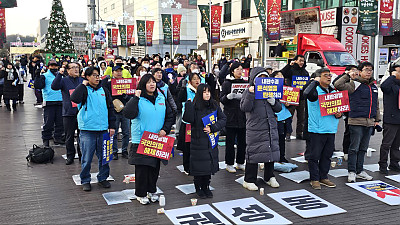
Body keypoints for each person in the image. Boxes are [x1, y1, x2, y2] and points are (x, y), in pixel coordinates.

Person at [123, 74, 174, 205]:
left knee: (154, 168)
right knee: (142, 169)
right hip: (141, 139)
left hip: (157, 139)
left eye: (153, 82)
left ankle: (151, 190)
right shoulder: (138, 99)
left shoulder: (161, 97)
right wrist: (136, 97)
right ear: (143, 85)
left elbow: (170, 116)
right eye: (148, 82)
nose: (152, 84)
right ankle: (140, 193)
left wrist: (165, 130)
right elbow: (128, 113)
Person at [70, 67, 116, 191]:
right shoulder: (84, 90)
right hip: (87, 129)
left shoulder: (104, 90)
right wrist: (82, 85)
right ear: (87, 77)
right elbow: (74, 98)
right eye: (94, 75)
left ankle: (103, 177)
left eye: (98, 75)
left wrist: (112, 126)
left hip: (103, 130)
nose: (97, 77)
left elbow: (111, 108)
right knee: (87, 157)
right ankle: (85, 179)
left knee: (104, 156)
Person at [334, 61, 381, 182]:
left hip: (369, 122)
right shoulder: (354, 84)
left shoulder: (373, 87)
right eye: (366, 69)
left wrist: (377, 120)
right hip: (356, 121)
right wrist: (348, 75)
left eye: (370, 69)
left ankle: (360, 170)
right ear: (360, 72)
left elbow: (376, 105)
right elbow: (338, 84)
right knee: (353, 148)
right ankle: (352, 171)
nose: (369, 72)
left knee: (363, 148)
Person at [240, 67, 282, 190]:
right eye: (260, 78)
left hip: (270, 127)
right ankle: (249, 179)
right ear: (254, 80)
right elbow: (244, 107)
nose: (263, 81)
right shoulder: (249, 91)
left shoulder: (271, 91)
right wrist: (251, 94)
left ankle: (269, 176)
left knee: (271, 151)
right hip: (255, 128)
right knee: (254, 153)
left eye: (265, 78)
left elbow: (278, 108)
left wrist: (273, 101)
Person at [183, 83, 226, 198]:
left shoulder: (214, 105)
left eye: (208, 91)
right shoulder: (194, 105)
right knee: (198, 168)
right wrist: (188, 105)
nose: (207, 94)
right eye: (204, 92)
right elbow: (188, 119)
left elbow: (223, 119)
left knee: (208, 167)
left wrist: (213, 128)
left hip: (211, 140)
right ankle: (199, 188)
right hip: (198, 141)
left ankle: (206, 187)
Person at [304, 68, 341, 189]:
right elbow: (305, 93)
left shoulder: (333, 91)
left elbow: (340, 107)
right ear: (319, 77)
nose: (329, 77)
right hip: (317, 129)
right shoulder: (314, 91)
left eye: (330, 75)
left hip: (330, 128)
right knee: (314, 156)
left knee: (327, 156)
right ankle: (314, 178)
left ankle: (323, 177)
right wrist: (315, 81)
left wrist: (339, 114)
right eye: (325, 75)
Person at [52, 62, 84, 165]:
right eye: (73, 67)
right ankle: (70, 156)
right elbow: (54, 86)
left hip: (82, 113)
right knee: (69, 136)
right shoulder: (64, 81)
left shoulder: (82, 81)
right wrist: (60, 74)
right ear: (68, 70)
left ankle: (81, 155)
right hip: (68, 113)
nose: (76, 69)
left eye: (77, 67)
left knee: (82, 135)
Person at [220, 62, 247, 172]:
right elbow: (221, 99)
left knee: (242, 142)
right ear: (232, 71)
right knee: (230, 142)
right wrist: (228, 97)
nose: (240, 72)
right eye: (237, 70)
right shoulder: (227, 83)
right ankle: (229, 163)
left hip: (242, 115)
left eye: (241, 69)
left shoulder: (245, 83)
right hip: (230, 116)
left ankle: (240, 162)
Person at [102, 66, 132, 160]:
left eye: (120, 71)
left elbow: (131, 96)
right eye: (116, 71)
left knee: (126, 132)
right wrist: (107, 78)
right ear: (113, 73)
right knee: (113, 133)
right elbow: (103, 88)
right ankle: (114, 151)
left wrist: (125, 96)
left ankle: (124, 150)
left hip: (125, 110)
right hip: (114, 111)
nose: (119, 73)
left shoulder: (127, 82)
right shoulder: (109, 83)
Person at [34, 60, 64, 146]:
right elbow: (38, 86)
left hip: (60, 101)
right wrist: (37, 76)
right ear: (48, 67)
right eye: (52, 66)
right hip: (49, 101)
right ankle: (46, 139)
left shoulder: (61, 75)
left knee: (60, 122)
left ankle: (57, 138)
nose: (54, 67)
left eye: (55, 66)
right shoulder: (44, 76)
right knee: (48, 122)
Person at [332, 65, 359, 161]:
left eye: (356, 70)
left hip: (359, 109)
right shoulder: (344, 80)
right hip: (347, 108)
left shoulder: (359, 80)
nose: (355, 73)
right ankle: (346, 151)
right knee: (348, 131)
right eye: (352, 71)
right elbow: (337, 84)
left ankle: (355, 151)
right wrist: (347, 75)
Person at [177, 73, 201, 174]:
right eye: (194, 79)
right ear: (190, 81)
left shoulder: (202, 90)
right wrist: (182, 88)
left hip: (199, 122)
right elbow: (180, 98)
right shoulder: (186, 89)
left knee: (197, 145)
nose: (197, 81)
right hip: (188, 122)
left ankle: (196, 165)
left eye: (198, 79)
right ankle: (187, 167)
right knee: (187, 146)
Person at [281, 55, 309, 139]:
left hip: (301, 97)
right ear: (295, 61)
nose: (301, 62)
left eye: (303, 61)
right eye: (300, 60)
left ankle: (299, 133)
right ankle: (288, 133)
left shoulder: (305, 72)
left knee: (301, 117)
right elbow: (282, 73)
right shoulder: (291, 70)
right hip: (291, 96)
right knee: (289, 116)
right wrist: (289, 65)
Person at [378, 66, 400, 174]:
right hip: (391, 119)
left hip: (399, 119)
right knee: (387, 144)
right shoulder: (390, 84)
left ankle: (394, 163)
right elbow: (383, 86)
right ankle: (382, 164)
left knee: (397, 144)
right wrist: (392, 76)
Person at [271, 71, 293, 162]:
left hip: (285, 116)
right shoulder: (271, 89)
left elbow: (293, 102)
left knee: (282, 138)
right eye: (278, 76)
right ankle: (275, 157)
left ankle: (282, 157)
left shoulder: (287, 88)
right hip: (276, 116)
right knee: (277, 139)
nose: (281, 77)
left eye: (282, 75)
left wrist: (289, 104)